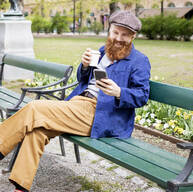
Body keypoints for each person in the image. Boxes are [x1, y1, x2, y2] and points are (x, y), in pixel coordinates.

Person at [0, 10, 151, 192]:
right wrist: (85, 65)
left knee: (34, 108)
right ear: (109, 30)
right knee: (37, 131)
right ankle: (21, 188)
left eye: (125, 35)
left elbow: (142, 95)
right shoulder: (102, 51)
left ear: (133, 36)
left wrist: (119, 92)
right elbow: (83, 79)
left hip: (102, 115)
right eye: (115, 32)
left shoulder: (139, 61)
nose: (118, 38)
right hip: (78, 104)